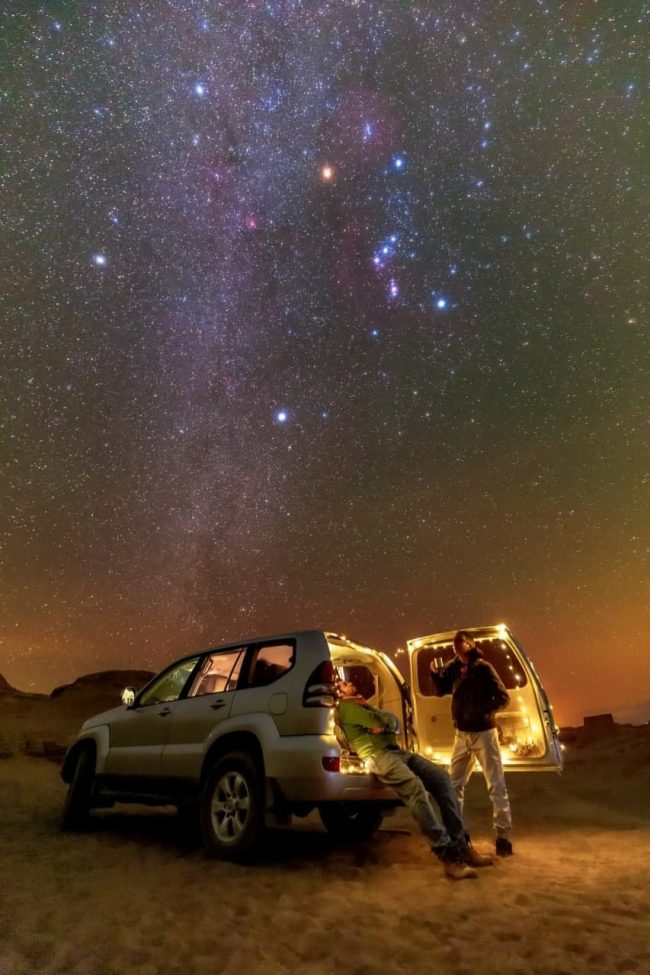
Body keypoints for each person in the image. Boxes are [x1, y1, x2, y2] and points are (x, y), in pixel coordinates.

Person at [336, 678, 494, 880]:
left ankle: (461, 844)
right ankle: (447, 855)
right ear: (339, 693)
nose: (349, 682)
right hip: (378, 756)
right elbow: (379, 722)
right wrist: (380, 723)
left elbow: (394, 722)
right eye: (343, 683)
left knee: (442, 779)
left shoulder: (363, 705)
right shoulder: (346, 707)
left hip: (398, 752)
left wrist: (381, 721)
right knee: (415, 788)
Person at [430, 631, 513, 857]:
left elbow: (503, 697)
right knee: (453, 784)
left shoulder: (484, 668)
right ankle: (458, 834)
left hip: (484, 732)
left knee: (495, 783)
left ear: (470, 645)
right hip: (461, 734)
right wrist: (435, 675)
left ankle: (503, 837)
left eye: (461, 645)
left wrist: (482, 711)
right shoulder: (453, 668)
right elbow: (439, 692)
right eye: (455, 645)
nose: (457, 649)